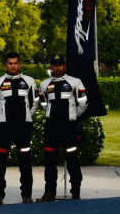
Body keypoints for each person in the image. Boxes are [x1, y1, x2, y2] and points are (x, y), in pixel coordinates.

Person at [0, 52, 37, 204]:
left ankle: (27, 195)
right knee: (0, 161)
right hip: (4, 127)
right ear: (6, 65)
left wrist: (27, 117)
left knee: (25, 162)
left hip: (23, 127)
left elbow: (34, 102)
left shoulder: (29, 81)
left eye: (15, 63)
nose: (13, 66)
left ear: (20, 64)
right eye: (10, 63)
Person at [36, 54, 88, 202]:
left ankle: (75, 191)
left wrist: (73, 116)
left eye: (60, 64)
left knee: (72, 160)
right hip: (51, 127)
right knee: (50, 161)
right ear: (51, 67)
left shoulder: (75, 82)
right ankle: (49, 192)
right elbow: (44, 103)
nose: (57, 67)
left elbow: (83, 103)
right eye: (55, 65)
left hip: (68, 127)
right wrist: (50, 114)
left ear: (64, 66)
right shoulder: (44, 84)